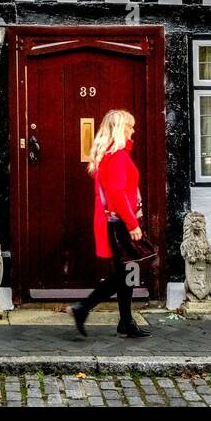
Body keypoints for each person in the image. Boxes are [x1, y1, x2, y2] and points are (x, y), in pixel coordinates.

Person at [69, 108, 149, 339]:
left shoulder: (112, 155)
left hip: (118, 221)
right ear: (119, 129)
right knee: (127, 272)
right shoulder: (117, 157)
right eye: (129, 126)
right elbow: (117, 193)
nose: (132, 130)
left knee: (127, 270)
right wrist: (133, 224)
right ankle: (84, 307)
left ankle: (126, 322)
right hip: (121, 223)